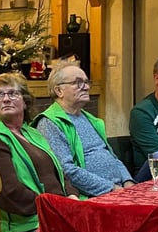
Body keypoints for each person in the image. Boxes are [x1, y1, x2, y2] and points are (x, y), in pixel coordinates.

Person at [0, 72, 78, 232]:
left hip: (54, 210)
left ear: (25, 101)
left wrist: (71, 196)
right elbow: (10, 193)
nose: (5, 99)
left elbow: (59, 172)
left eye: (12, 93)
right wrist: (52, 208)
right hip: (25, 224)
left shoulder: (32, 133)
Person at [34, 61, 134, 196]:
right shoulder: (49, 123)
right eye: (78, 82)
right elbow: (67, 170)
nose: (86, 87)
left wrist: (128, 182)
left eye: (87, 82)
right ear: (59, 91)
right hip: (92, 197)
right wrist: (113, 189)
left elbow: (112, 157)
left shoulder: (90, 119)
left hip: (119, 189)